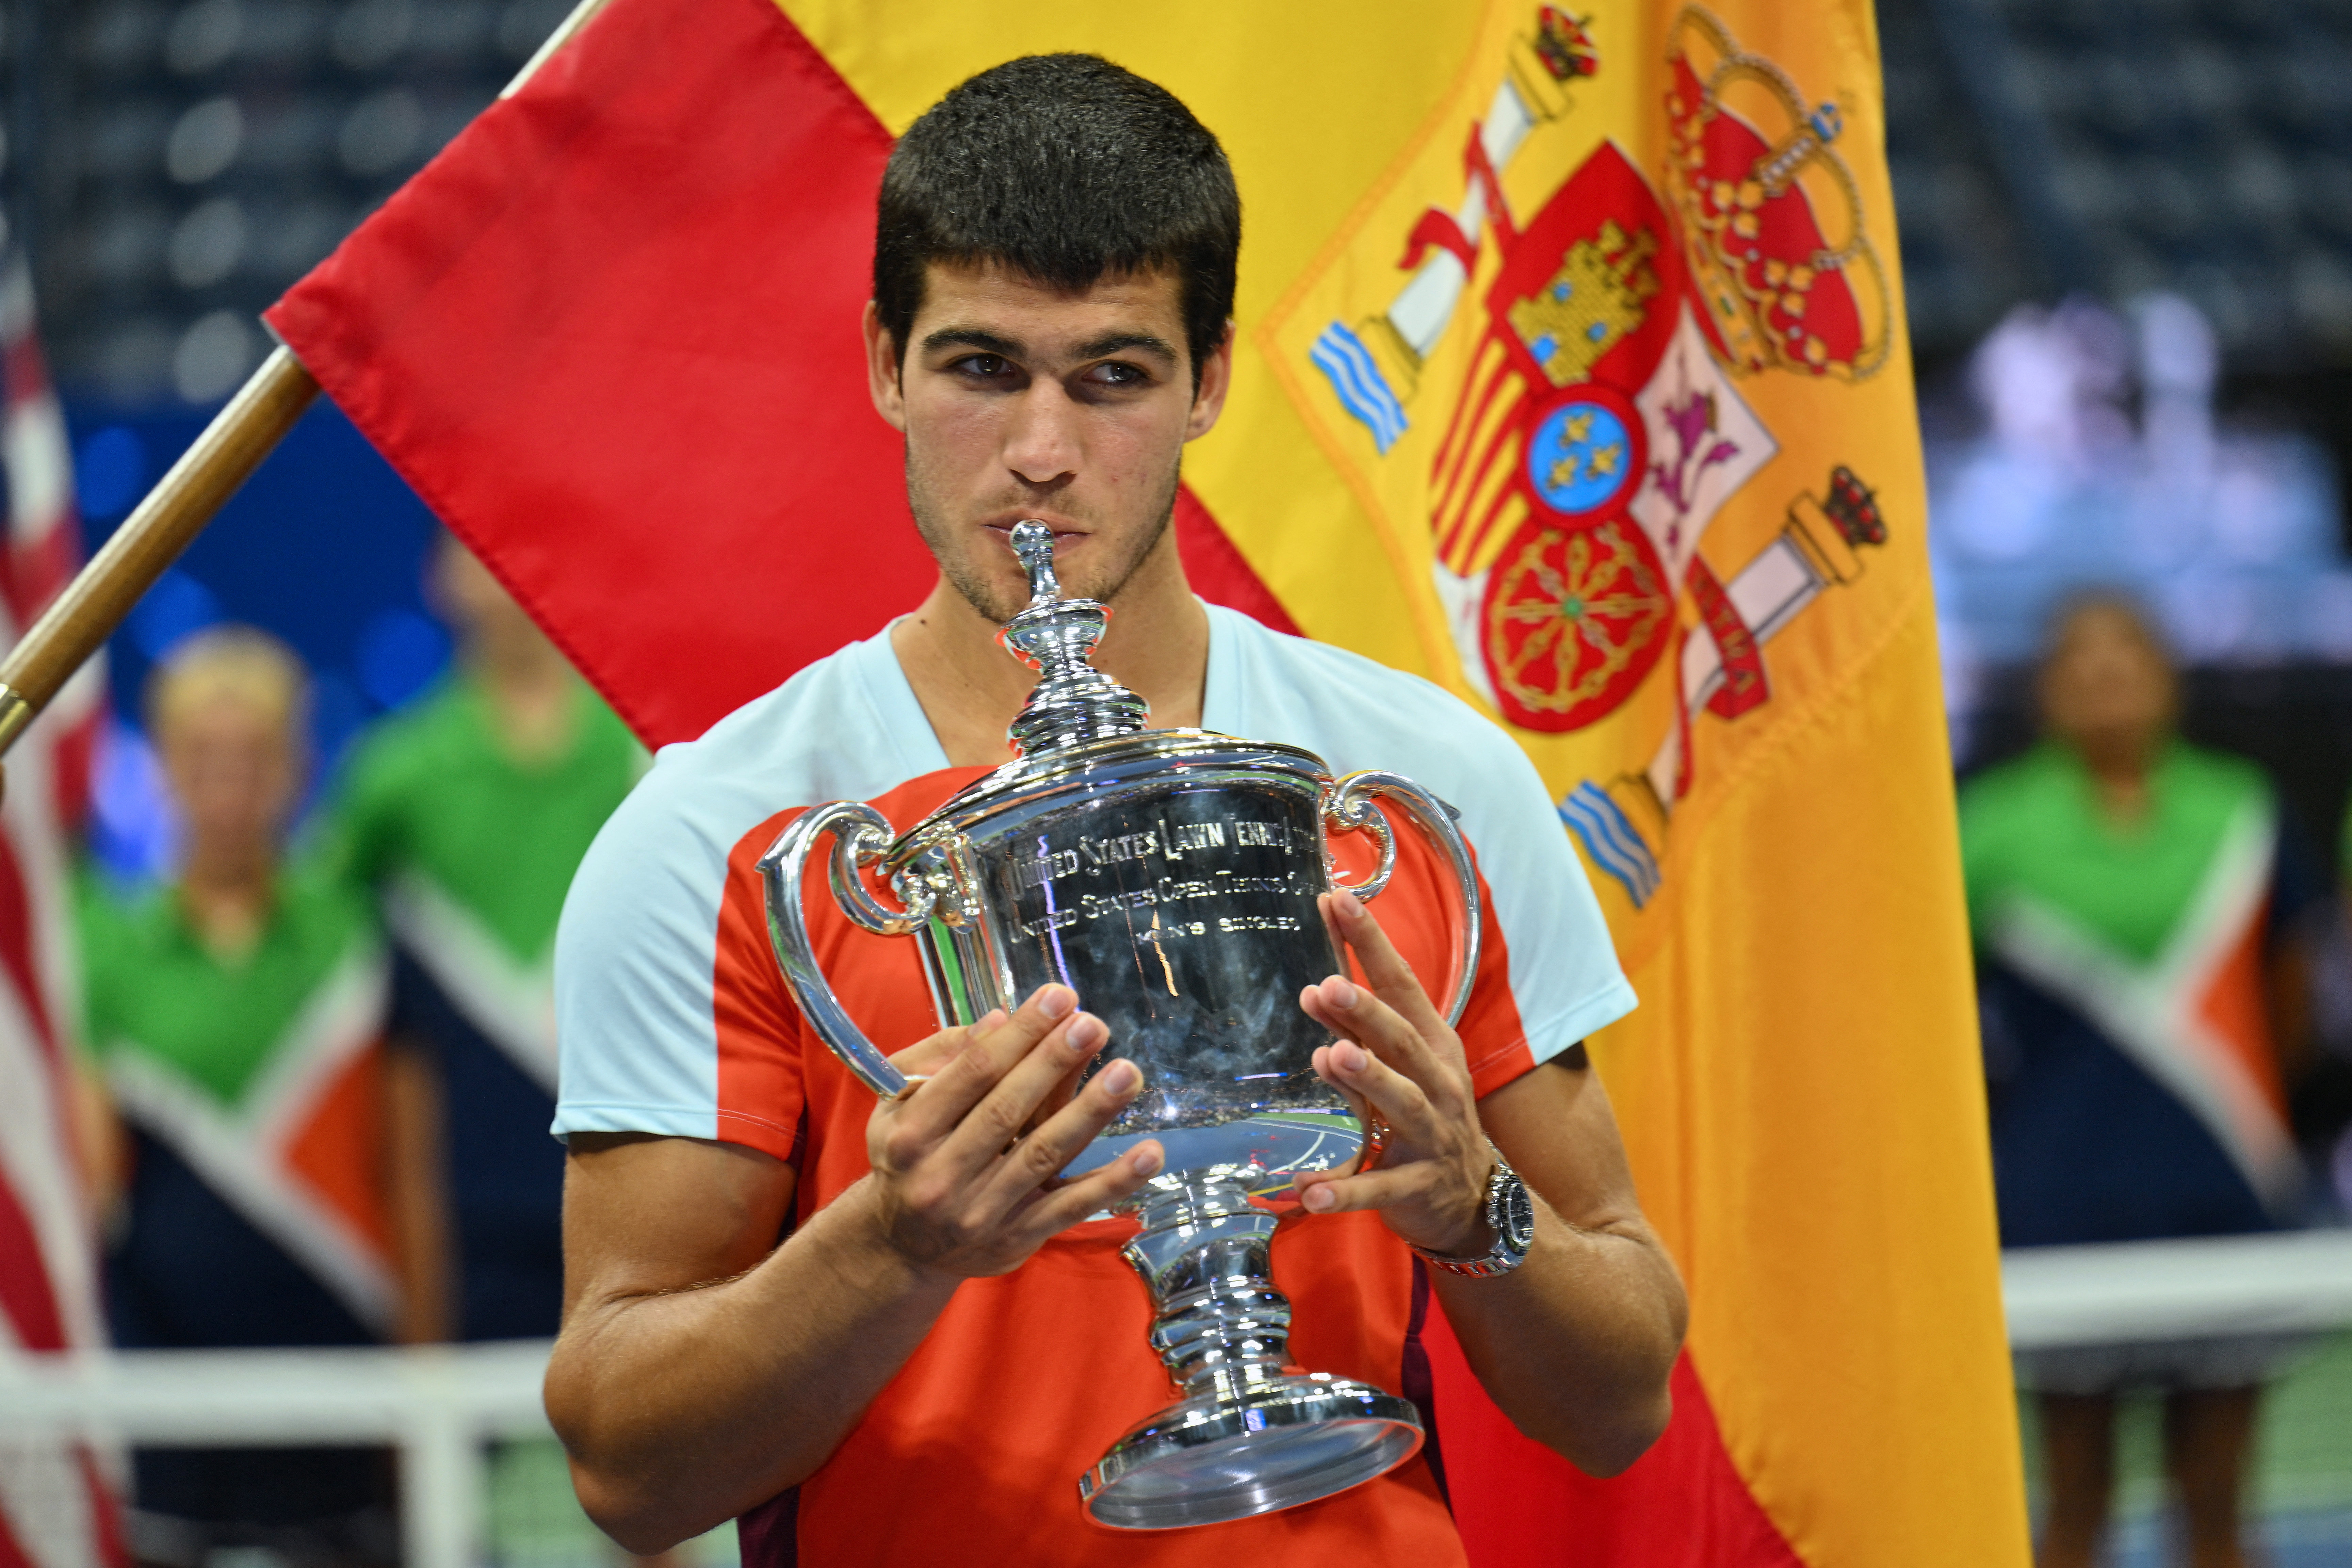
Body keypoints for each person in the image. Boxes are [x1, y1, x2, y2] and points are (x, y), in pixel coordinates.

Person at [544, 55, 1686, 1564]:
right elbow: (628, 1473)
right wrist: (892, 1246)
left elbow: (1620, 1397)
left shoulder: (1424, 786)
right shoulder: (715, 839)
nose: (1041, 452)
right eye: (979, 369)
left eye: (1112, 375)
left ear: (1210, 378)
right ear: (886, 361)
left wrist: (1477, 1208)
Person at [1962, 595, 2317, 1568]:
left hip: (2225, 1190)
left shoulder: (2245, 808)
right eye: (2080, 658)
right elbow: (1941, 1018)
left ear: (2170, 678)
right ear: (2045, 687)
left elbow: (2294, 995)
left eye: (2128, 656)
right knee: (2076, 1501)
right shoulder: (1988, 826)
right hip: (2058, 1204)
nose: (2105, 675)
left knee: (2219, 1506)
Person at [79, 627, 427, 1567]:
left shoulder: (359, 939)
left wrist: (423, 1378)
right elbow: (87, 1192)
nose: (229, 779)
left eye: (254, 755)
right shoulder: (101, 954)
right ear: (163, 767)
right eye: (202, 755)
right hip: (163, 1391)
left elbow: (408, 1177)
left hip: (345, 1387)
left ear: (297, 768)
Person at [323, 535, 642, 1342]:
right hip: (470, 1205)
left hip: (646, 1162)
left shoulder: (651, 755)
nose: (501, 574)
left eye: (514, 544)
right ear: (440, 581)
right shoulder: (391, 775)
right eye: (474, 554)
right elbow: (337, 974)